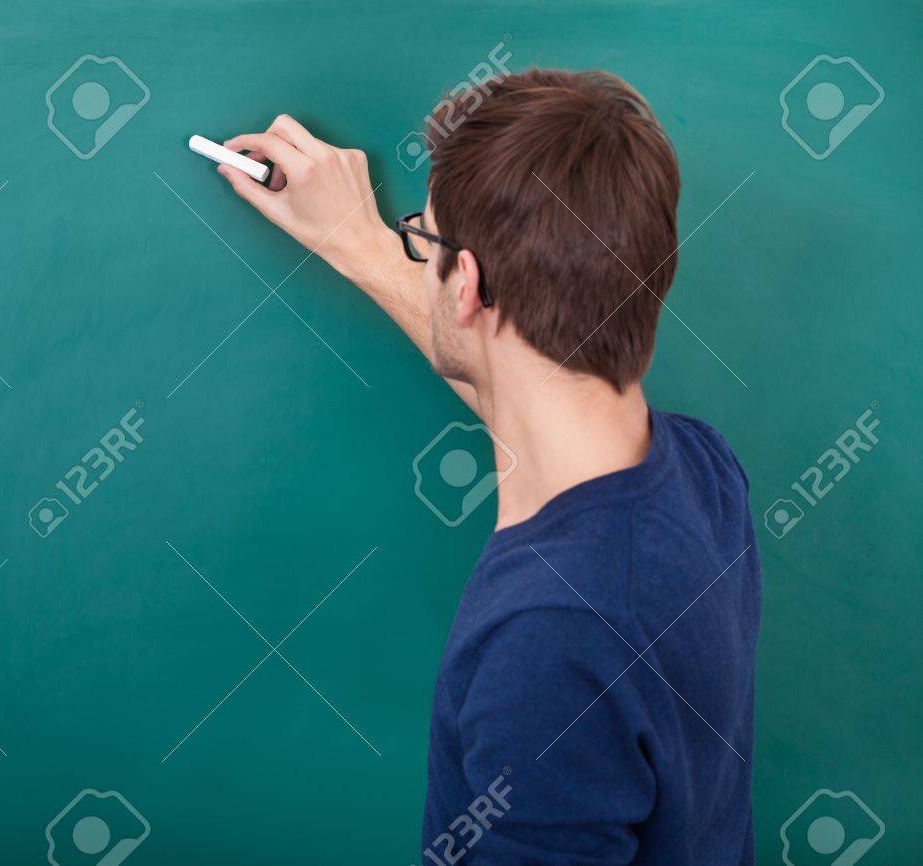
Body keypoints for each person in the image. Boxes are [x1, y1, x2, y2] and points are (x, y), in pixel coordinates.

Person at [217, 69, 762, 865]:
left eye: (426, 239)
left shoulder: (548, 646)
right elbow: (536, 389)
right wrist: (362, 241)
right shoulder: (705, 476)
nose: (421, 252)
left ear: (465, 283)